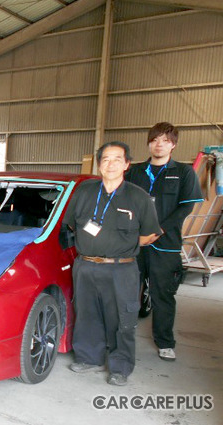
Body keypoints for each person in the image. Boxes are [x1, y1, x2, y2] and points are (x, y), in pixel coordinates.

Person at [63, 141, 162, 386]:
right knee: (87, 314)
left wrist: (120, 246)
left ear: (127, 164)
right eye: (106, 159)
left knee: (122, 318)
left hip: (122, 269)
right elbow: (72, 224)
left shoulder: (138, 196)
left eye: (117, 159)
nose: (111, 164)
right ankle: (88, 357)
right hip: (86, 266)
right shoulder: (84, 191)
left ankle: (120, 367)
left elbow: (150, 233)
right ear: (99, 164)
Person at [125, 122, 203, 362]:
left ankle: (165, 342)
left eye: (165, 140)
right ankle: (123, 335)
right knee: (127, 291)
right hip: (134, 244)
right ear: (149, 143)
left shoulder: (183, 172)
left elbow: (186, 206)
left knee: (163, 295)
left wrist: (159, 229)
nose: (159, 144)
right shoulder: (135, 171)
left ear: (173, 144)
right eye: (155, 140)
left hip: (165, 244)